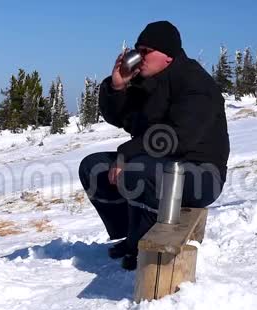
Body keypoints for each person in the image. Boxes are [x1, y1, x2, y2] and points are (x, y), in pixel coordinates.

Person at [78, 21, 230, 270]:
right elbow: (122, 118)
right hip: (159, 163)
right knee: (93, 168)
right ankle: (131, 235)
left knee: (136, 171)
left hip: (201, 173)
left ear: (168, 55)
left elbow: (179, 137)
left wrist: (126, 154)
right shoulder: (146, 81)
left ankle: (141, 245)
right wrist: (117, 87)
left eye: (146, 51)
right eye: (137, 50)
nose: (138, 57)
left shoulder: (195, 83)